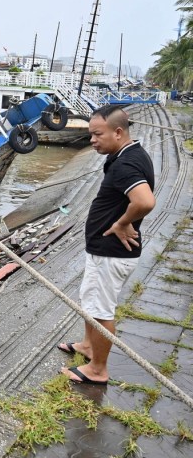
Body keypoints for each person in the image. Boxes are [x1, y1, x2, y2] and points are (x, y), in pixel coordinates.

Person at [58, 106, 155, 385]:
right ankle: (89, 346)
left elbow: (145, 201)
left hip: (112, 253)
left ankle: (98, 370)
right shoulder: (126, 154)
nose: (92, 140)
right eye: (91, 134)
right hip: (104, 249)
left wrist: (124, 223)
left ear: (118, 132)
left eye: (97, 134)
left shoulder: (126, 164)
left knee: (101, 310)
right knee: (91, 302)